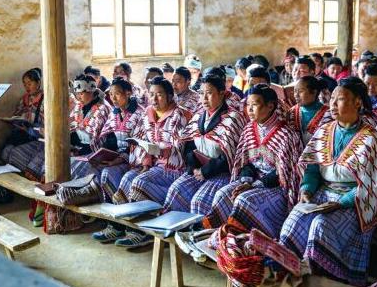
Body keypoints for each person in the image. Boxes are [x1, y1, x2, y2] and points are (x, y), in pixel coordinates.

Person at [280, 78, 377, 286]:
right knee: (295, 218)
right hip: (324, 192)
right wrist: (307, 190)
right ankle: (289, 269)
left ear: (358, 103)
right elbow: (313, 168)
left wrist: (341, 202)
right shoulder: (325, 131)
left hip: (355, 201)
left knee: (321, 225)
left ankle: (322, 277)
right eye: (332, 99)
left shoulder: (371, 138)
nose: (333, 105)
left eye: (340, 100)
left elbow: (373, 185)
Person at [207, 84, 302, 231]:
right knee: (223, 194)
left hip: (276, 187)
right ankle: (217, 235)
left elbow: (284, 174)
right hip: (251, 180)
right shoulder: (249, 129)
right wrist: (246, 181)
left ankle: (242, 239)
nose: (249, 109)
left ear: (270, 106)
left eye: (255, 104)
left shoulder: (286, 135)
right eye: (248, 105)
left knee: (244, 200)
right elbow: (245, 161)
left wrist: (254, 185)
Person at [164, 75, 247, 220]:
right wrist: (194, 167)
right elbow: (188, 145)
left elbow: (233, 155)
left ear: (222, 93)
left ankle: (199, 237)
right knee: (176, 190)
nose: (204, 98)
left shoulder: (233, 118)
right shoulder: (198, 117)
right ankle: (176, 232)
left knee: (200, 201)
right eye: (201, 93)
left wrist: (206, 171)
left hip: (222, 173)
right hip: (198, 170)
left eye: (209, 93)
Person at [114, 77, 190, 220]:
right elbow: (142, 139)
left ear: (169, 96)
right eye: (151, 94)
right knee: (127, 178)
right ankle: (120, 225)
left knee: (139, 183)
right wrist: (146, 163)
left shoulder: (179, 115)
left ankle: (141, 229)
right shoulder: (148, 112)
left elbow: (179, 147)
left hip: (173, 168)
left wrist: (160, 151)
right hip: (153, 165)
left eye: (159, 94)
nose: (154, 99)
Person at [89, 78, 147, 244]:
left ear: (128, 93)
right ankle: (114, 224)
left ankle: (133, 227)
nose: (113, 98)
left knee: (113, 175)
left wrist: (119, 158)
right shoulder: (115, 112)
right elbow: (106, 136)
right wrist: (103, 153)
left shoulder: (140, 114)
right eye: (111, 95)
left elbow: (139, 144)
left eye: (117, 94)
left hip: (135, 160)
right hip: (119, 158)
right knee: (98, 171)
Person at [1, 68, 46, 181]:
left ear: (38, 83)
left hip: (39, 134)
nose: (27, 87)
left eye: (29, 83)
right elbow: (17, 114)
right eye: (25, 84)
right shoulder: (24, 99)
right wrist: (17, 121)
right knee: (8, 148)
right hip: (25, 132)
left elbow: (48, 120)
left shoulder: (46, 99)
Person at [69, 74, 111, 163]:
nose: (78, 97)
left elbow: (98, 140)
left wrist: (79, 151)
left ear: (91, 91)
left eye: (81, 93)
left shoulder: (103, 108)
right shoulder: (79, 105)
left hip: (95, 152)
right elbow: (72, 126)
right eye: (77, 94)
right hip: (79, 148)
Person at [286, 76, 332, 145]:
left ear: (314, 92)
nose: (296, 95)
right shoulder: (292, 112)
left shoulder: (328, 114)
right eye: (295, 91)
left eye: (300, 91)